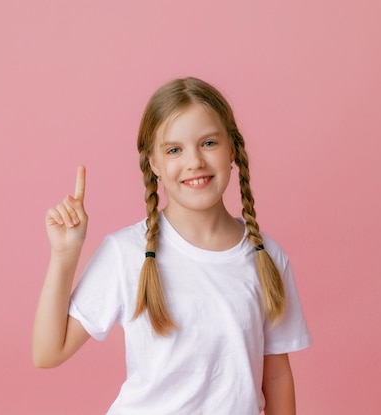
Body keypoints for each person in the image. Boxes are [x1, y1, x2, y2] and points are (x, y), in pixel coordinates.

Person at [33, 77, 312, 414]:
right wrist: (65, 256)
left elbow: (277, 375)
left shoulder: (266, 256)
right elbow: (48, 353)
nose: (194, 161)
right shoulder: (126, 253)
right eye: (174, 150)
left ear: (232, 149)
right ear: (154, 164)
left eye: (208, 143)